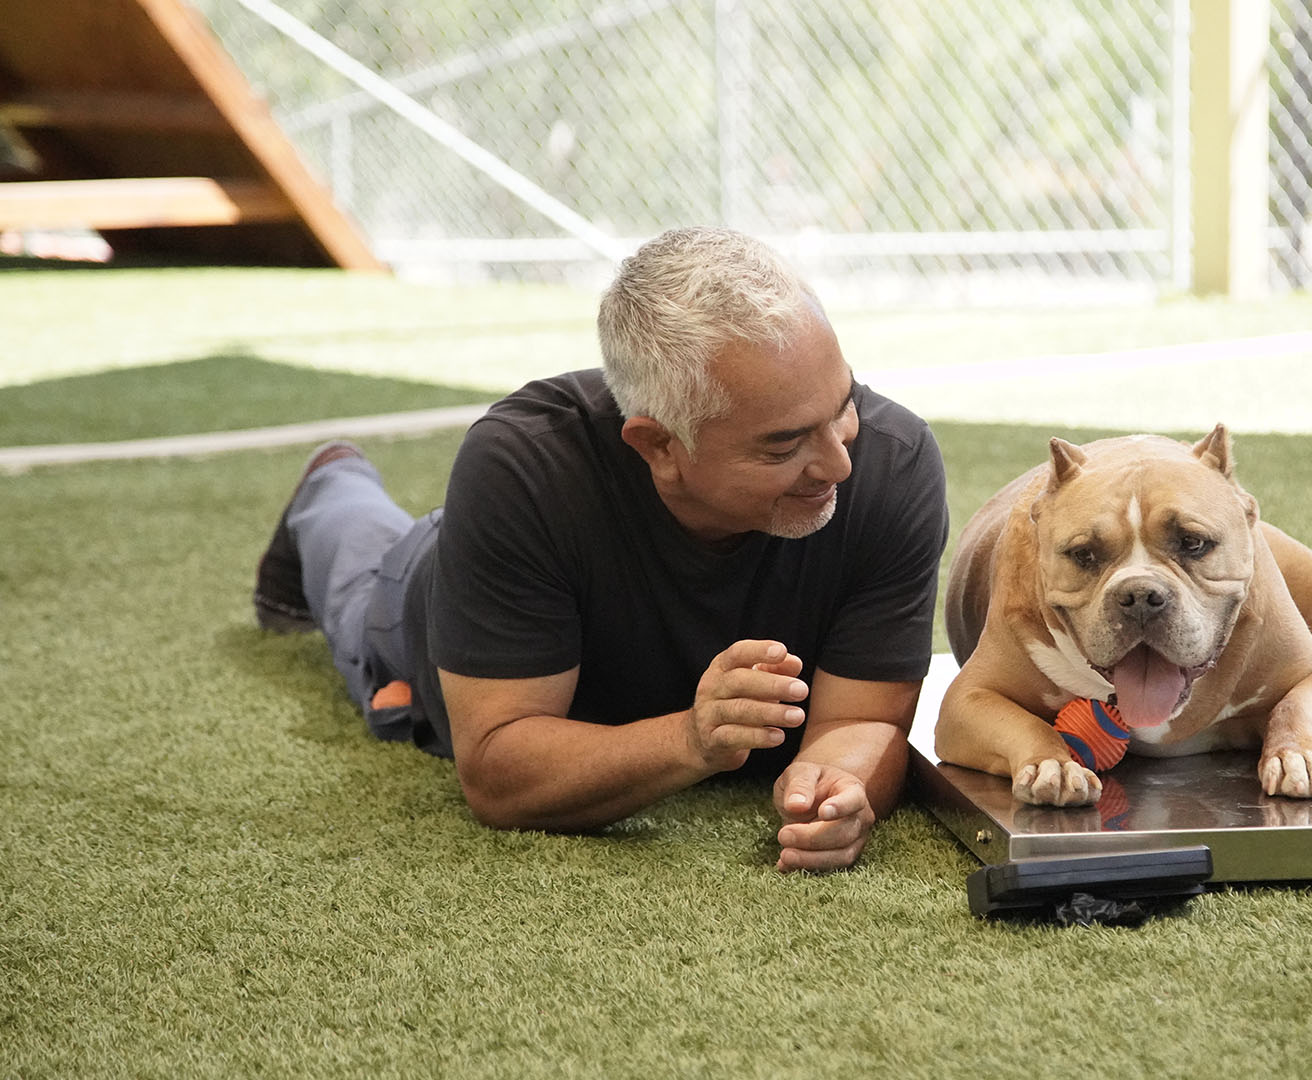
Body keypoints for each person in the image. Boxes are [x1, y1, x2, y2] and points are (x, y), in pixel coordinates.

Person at [252, 226, 949, 871]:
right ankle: (331, 482)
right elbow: (498, 769)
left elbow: (862, 720)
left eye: (843, 406)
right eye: (785, 443)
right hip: (428, 595)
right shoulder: (522, 468)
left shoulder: (894, 463)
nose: (839, 465)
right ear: (659, 446)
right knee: (357, 559)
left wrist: (837, 785)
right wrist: (691, 740)